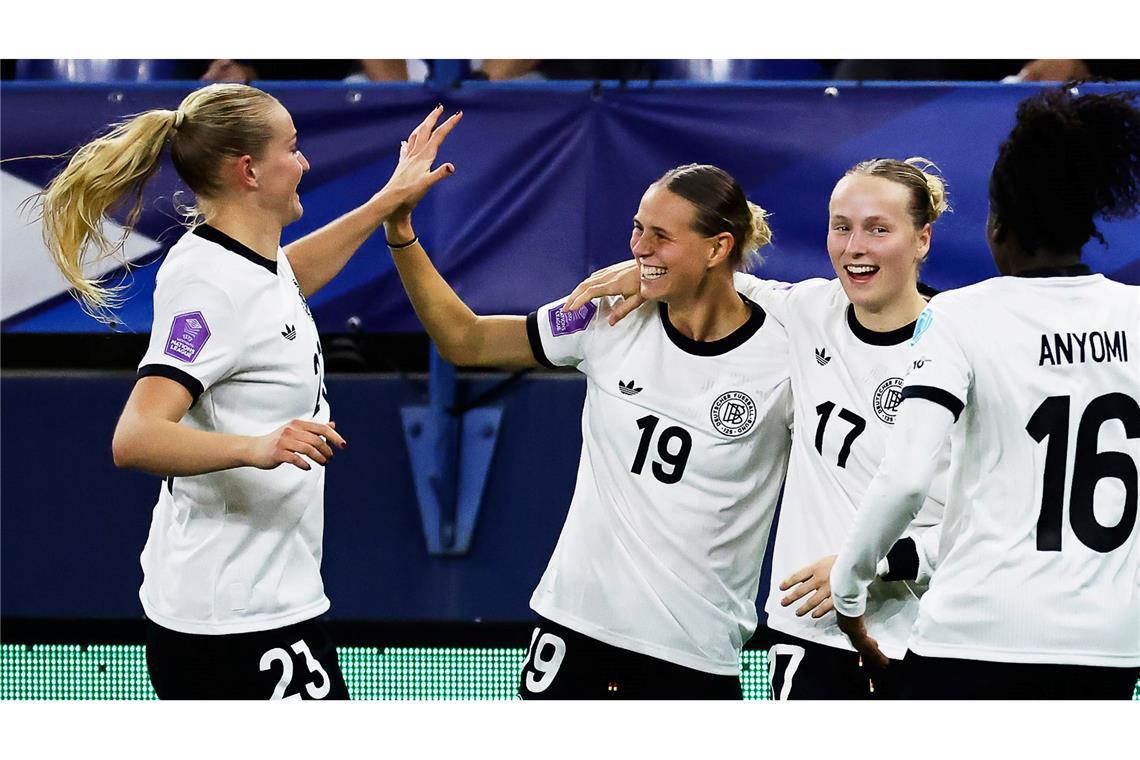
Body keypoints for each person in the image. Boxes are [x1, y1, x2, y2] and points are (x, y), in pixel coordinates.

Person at [36, 83, 460, 699]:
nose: (305, 161)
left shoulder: (251, 264)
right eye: (292, 147)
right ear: (249, 170)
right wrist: (257, 446)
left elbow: (281, 284)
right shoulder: (209, 286)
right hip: (231, 621)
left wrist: (386, 202)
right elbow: (136, 437)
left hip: (264, 603)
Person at [384, 161, 793, 698]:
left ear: (717, 248)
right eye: (638, 228)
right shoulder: (606, 315)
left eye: (661, 237)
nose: (639, 248)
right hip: (574, 627)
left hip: (694, 650)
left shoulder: (790, 348)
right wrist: (401, 235)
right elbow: (468, 341)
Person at [564, 158, 951, 699]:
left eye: (879, 229)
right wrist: (649, 272)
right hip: (808, 637)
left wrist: (875, 563)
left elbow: (996, 523)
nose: (855, 246)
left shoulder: (963, 348)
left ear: (923, 239)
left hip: (927, 640)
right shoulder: (810, 311)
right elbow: (715, 276)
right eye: (842, 226)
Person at [830, 87, 1140, 699]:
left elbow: (905, 479)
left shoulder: (962, 317)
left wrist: (848, 588)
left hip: (978, 632)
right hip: (1113, 642)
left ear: (999, 227)